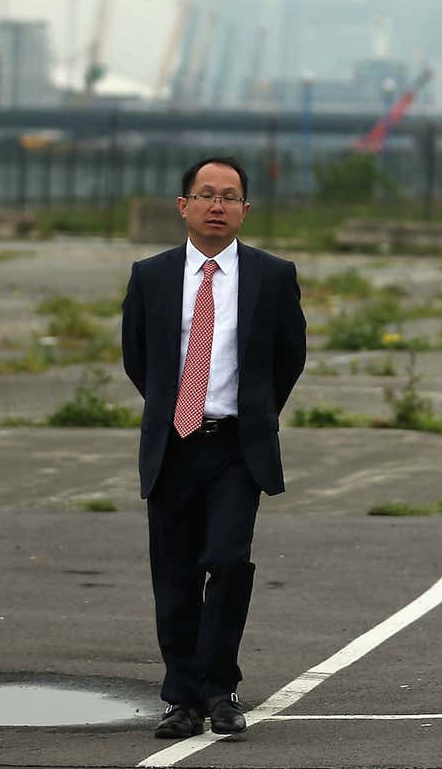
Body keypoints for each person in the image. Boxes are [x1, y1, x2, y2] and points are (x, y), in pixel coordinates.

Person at [121, 156, 307, 738]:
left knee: (226, 561)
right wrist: (175, 409)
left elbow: (289, 356)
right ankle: (181, 696)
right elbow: (138, 358)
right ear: (184, 206)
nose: (217, 206)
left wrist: (253, 413)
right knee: (174, 573)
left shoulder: (272, 276)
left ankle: (220, 688)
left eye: (230, 197)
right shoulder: (150, 276)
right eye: (206, 195)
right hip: (173, 444)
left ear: (245, 210)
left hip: (235, 447)